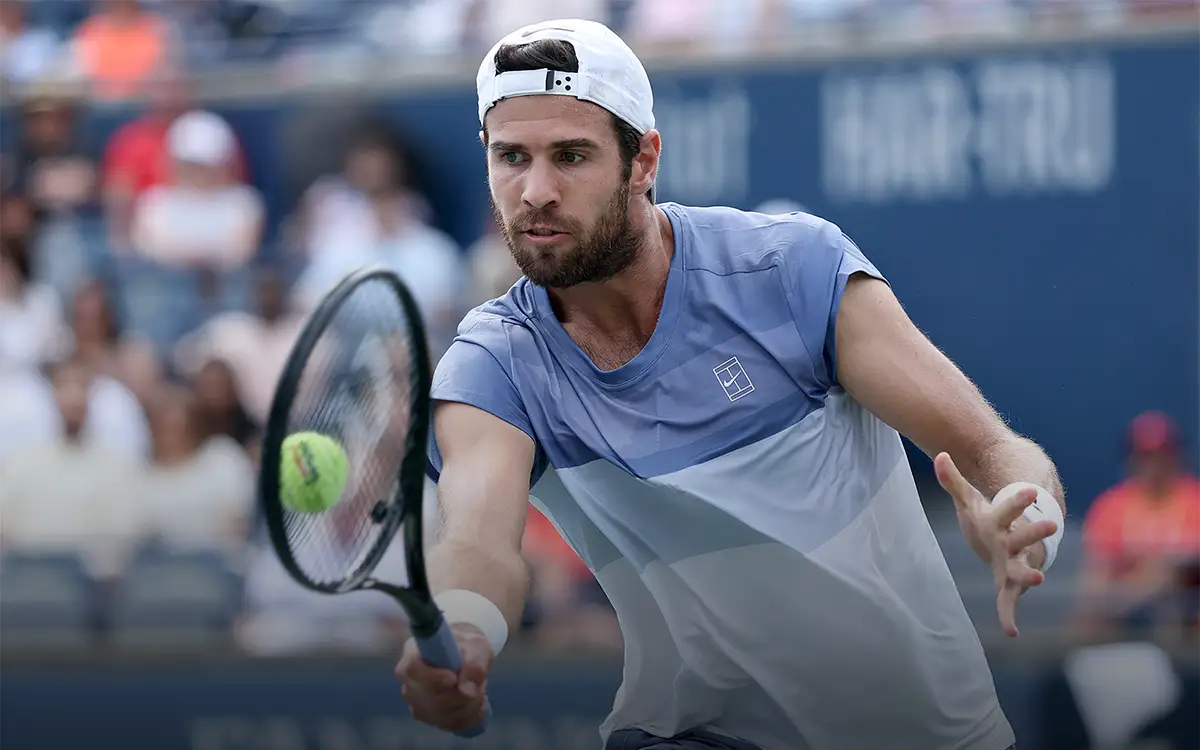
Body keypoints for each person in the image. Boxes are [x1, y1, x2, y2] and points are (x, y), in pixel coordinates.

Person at [395, 19, 1066, 750]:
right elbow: (478, 539)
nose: (536, 191)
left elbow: (995, 451)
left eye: (572, 156)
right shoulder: (493, 361)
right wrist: (465, 627)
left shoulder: (794, 271)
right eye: (511, 157)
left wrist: (1027, 523)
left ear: (643, 159)